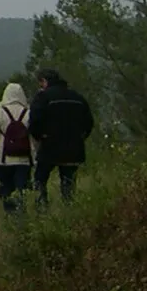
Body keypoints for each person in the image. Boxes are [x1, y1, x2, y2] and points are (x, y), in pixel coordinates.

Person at [27, 68, 96, 207]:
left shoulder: (43, 97)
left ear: (44, 81)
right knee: (68, 181)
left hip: (50, 146)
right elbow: (89, 123)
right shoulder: (77, 97)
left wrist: (39, 136)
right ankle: (68, 208)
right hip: (74, 148)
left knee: (40, 178)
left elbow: (34, 120)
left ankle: (42, 208)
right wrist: (80, 138)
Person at [0, 81, 34, 215]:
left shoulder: (0, 112)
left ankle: (9, 213)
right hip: (24, 159)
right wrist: (34, 157)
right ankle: (21, 214)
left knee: (6, 187)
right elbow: (33, 137)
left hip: (3, 158)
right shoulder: (28, 113)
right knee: (21, 188)